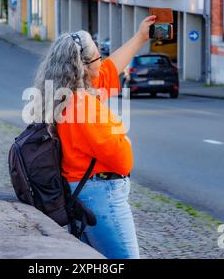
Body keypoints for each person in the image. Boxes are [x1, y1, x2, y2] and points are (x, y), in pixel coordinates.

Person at [33, 16, 157, 259]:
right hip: (102, 195)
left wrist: (141, 37)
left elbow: (110, 70)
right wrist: (123, 136)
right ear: (85, 66)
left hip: (79, 191)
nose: (102, 62)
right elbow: (123, 161)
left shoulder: (62, 94)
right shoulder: (85, 106)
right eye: (98, 57)